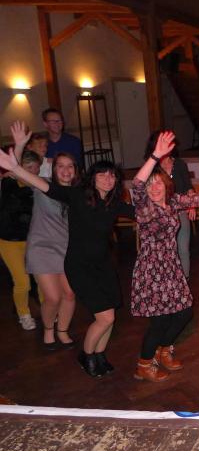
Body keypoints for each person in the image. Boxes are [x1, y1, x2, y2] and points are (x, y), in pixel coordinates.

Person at [0, 145, 135, 377]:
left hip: (103, 266)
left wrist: (169, 205)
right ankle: (86, 355)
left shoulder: (114, 204)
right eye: (102, 174)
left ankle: (99, 355)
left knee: (110, 315)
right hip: (80, 267)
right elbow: (45, 186)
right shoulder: (77, 195)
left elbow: (142, 211)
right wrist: (15, 167)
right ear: (92, 178)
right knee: (105, 317)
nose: (107, 179)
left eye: (112, 175)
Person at [131, 131, 199, 382]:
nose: (154, 188)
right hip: (151, 271)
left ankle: (164, 349)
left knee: (185, 312)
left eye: (159, 183)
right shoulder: (145, 208)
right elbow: (136, 185)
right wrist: (155, 155)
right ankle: (144, 364)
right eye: (151, 184)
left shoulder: (173, 202)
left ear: (166, 185)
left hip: (172, 268)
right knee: (160, 320)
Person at [11, 121, 78, 348]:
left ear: (75, 170)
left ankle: (62, 330)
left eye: (70, 166)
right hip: (42, 248)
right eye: (61, 166)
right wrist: (20, 146)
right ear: (53, 169)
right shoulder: (43, 185)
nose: (66, 170)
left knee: (69, 294)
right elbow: (16, 171)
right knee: (52, 297)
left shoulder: (78, 193)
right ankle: (49, 329)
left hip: (67, 249)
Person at [0, 145, 41, 331]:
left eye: (36, 167)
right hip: (9, 241)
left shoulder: (38, 184)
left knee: (42, 279)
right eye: (29, 167)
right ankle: (23, 314)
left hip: (33, 240)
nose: (34, 171)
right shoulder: (8, 183)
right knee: (23, 282)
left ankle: (48, 308)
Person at [143, 132, 194, 276]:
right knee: (162, 251)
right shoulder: (151, 166)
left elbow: (188, 187)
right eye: (162, 143)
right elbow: (143, 188)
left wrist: (192, 204)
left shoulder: (180, 164)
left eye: (168, 143)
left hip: (179, 211)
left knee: (183, 249)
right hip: (158, 214)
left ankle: (184, 280)